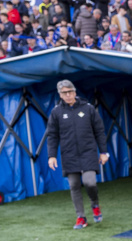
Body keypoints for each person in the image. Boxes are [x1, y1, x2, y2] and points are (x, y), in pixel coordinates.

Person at [46, 80, 109, 230]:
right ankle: (81, 217)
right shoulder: (56, 112)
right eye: (64, 93)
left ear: (75, 92)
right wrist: (52, 155)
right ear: (60, 95)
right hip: (69, 154)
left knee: (89, 182)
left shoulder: (88, 108)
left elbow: (99, 131)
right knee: (74, 185)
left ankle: (95, 205)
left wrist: (104, 152)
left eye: (70, 92)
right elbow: (52, 135)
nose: (67, 95)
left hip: (88, 152)